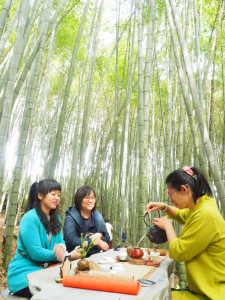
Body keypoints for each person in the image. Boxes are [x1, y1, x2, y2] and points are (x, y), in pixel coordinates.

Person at [146, 166, 225, 300]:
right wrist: (164, 207)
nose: (171, 199)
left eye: (171, 194)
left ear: (184, 189)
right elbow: (181, 215)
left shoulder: (205, 214)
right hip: (205, 289)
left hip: (212, 293)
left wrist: (167, 226)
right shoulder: (202, 205)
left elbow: (179, 252)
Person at [7, 179, 80, 298]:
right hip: (24, 275)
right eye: (53, 194)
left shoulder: (56, 219)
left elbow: (60, 241)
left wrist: (61, 247)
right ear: (40, 195)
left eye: (59, 195)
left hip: (44, 272)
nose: (57, 198)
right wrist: (66, 255)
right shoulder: (30, 218)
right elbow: (36, 253)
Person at [63, 185, 110, 255]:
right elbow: (70, 240)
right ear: (79, 199)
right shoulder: (71, 216)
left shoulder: (97, 215)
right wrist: (94, 241)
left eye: (93, 198)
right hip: (78, 257)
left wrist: (100, 234)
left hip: (97, 255)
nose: (90, 201)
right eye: (87, 198)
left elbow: (107, 237)